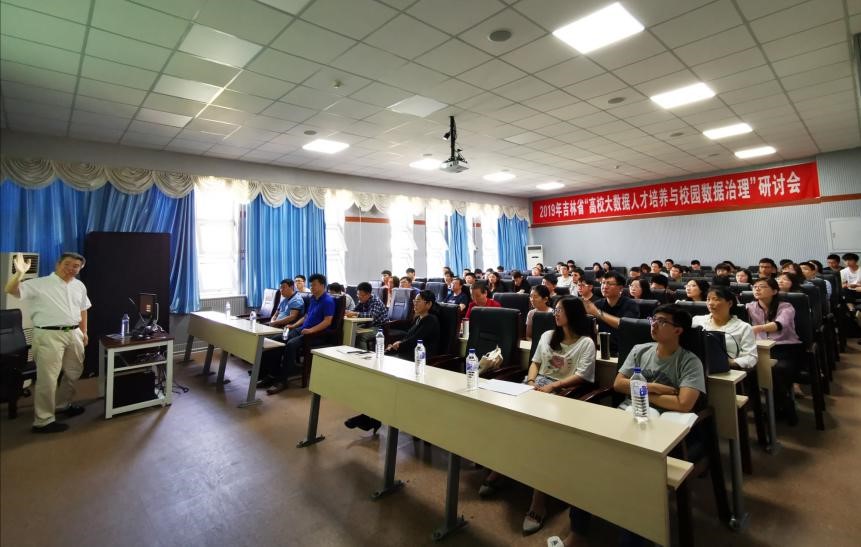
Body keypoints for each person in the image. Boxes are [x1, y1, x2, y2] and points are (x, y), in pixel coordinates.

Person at [548, 304, 704, 547]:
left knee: (637, 478)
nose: (654, 325)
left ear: (678, 330)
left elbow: (684, 403)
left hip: (664, 426)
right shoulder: (640, 350)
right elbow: (619, 384)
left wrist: (639, 390)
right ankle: (578, 533)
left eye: (662, 321)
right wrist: (655, 388)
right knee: (585, 461)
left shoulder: (689, 361)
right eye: (653, 319)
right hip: (628, 415)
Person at [481, 297, 596, 535]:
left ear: (573, 313)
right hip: (536, 387)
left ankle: (538, 500)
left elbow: (582, 375)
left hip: (562, 393)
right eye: (556, 309)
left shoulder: (585, 343)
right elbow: (534, 363)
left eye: (560, 310)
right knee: (505, 419)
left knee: (540, 437)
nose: (556, 313)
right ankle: (501, 468)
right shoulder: (547, 335)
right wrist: (532, 381)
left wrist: (553, 386)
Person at [5, 252, 90, 433]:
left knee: (73, 372)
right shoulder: (40, 284)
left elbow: (83, 309)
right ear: (58, 264)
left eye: (76, 266)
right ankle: (43, 420)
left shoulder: (79, 286)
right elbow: (10, 290)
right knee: (48, 378)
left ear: (80, 268)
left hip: (74, 333)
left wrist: (84, 331)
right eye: (67, 264)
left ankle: (63, 404)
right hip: (48, 335)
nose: (71, 268)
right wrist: (19, 274)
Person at [264, 273, 335, 395]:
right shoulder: (313, 298)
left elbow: (327, 321)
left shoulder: (328, 301)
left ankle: (282, 380)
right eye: (311, 285)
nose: (311, 288)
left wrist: (311, 330)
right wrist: (294, 325)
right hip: (302, 329)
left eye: (314, 285)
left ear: (322, 285)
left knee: (291, 344)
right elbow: (306, 316)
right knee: (275, 340)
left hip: (315, 334)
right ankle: (272, 375)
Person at [746, 277, 803, 425]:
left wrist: (756, 328)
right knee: (748, 370)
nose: (757, 289)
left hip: (784, 347)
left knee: (774, 370)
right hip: (759, 347)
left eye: (762, 286)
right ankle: (782, 403)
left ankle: (782, 404)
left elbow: (779, 324)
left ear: (774, 291)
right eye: (755, 287)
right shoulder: (750, 307)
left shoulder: (786, 307)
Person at [693, 286, 757, 369]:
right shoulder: (697, 321)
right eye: (708, 299)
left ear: (729, 303)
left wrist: (728, 362)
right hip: (696, 367)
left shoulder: (744, 327)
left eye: (716, 299)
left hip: (727, 370)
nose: (710, 303)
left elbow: (751, 358)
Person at [581, 271, 639, 355]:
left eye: (609, 284)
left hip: (623, 350)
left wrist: (598, 313)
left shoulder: (631, 304)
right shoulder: (598, 304)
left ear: (620, 288)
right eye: (603, 283)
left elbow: (624, 325)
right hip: (600, 349)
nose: (604, 286)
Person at [385, 290, 441, 359]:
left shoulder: (431, 320)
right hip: (411, 352)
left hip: (422, 357)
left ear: (428, 304)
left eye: (418, 301)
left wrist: (398, 345)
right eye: (414, 301)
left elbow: (415, 340)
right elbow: (409, 336)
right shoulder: (418, 318)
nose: (415, 304)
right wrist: (396, 344)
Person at [348, 282, 389, 350]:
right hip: (368, 325)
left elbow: (372, 315)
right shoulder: (362, 300)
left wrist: (355, 314)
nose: (359, 297)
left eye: (362, 295)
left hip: (379, 327)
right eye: (358, 294)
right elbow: (354, 310)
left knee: (361, 336)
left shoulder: (375, 301)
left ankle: (363, 355)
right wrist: (347, 312)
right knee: (351, 332)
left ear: (369, 294)